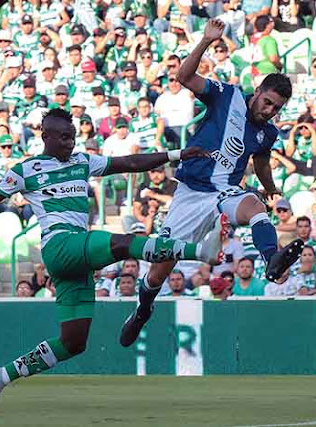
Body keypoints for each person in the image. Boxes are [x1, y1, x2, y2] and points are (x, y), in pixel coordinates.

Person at [0, 108, 226, 416]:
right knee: (121, 242)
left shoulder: (81, 161)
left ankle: (0, 376)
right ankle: (199, 252)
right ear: (45, 136)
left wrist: (177, 154)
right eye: (63, 137)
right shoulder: (26, 169)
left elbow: (130, 162)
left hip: (77, 256)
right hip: (60, 245)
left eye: (72, 137)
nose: (69, 143)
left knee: (74, 341)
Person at [118, 19, 303, 348]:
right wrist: (205, 40)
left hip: (224, 192)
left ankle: (272, 260)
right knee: (159, 271)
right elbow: (184, 77)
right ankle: (143, 309)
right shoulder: (226, 95)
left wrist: (271, 188)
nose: (270, 111)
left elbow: (260, 163)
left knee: (257, 207)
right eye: (268, 102)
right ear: (257, 91)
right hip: (191, 192)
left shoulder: (268, 132)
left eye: (277, 108)